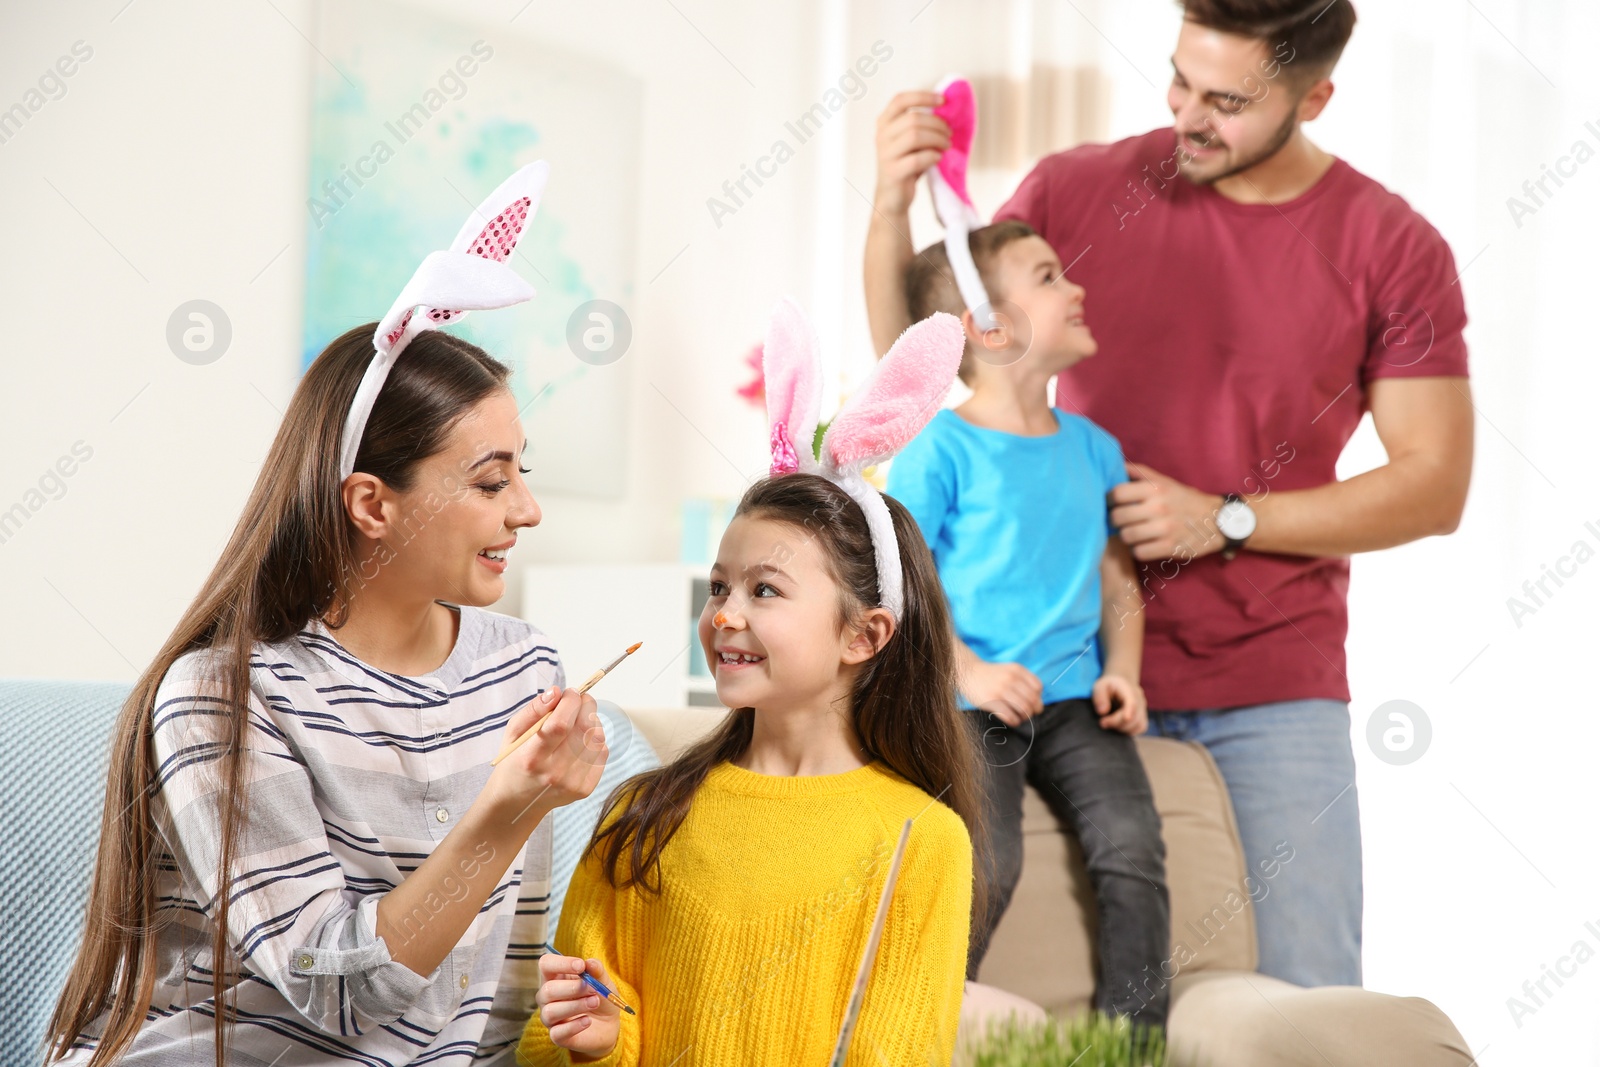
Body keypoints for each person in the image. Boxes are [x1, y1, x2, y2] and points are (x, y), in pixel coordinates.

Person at [864, 0, 1473, 990]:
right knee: (1030, 977)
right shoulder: (1076, 189)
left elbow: (1433, 482)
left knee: (1303, 1001)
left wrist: (1228, 517)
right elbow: (926, 362)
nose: (1185, 113)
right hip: (1053, 685)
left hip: (1269, 689)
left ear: (1314, 97)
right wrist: (889, 207)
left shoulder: (1391, 247)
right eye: (1180, 80)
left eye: (1225, 101)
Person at [47, 165, 611, 1066]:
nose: (527, 510)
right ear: (371, 503)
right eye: (491, 480)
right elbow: (333, 989)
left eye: (523, 472)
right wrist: (507, 808)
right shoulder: (223, 694)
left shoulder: (523, 671)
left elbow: (482, 1014)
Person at [519, 301, 982, 1066]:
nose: (725, 615)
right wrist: (596, 1041)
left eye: (764, 590)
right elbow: (550, 1039)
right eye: (719, 587)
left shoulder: (923, 839)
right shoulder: (641, 814)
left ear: (863, 634)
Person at [887, 219, 1170, 1029]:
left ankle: (1131, 1048)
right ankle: (921, 1027)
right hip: (973, 702)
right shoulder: (937, 448)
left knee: (1134, 851)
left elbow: (1118, 575)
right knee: (990, 858)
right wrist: (967, 670)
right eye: (1050, 276)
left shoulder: (1095, 449)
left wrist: (1126, 670)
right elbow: (906, 578)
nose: (1077, 287)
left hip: (1080, 700)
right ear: (989, 325)